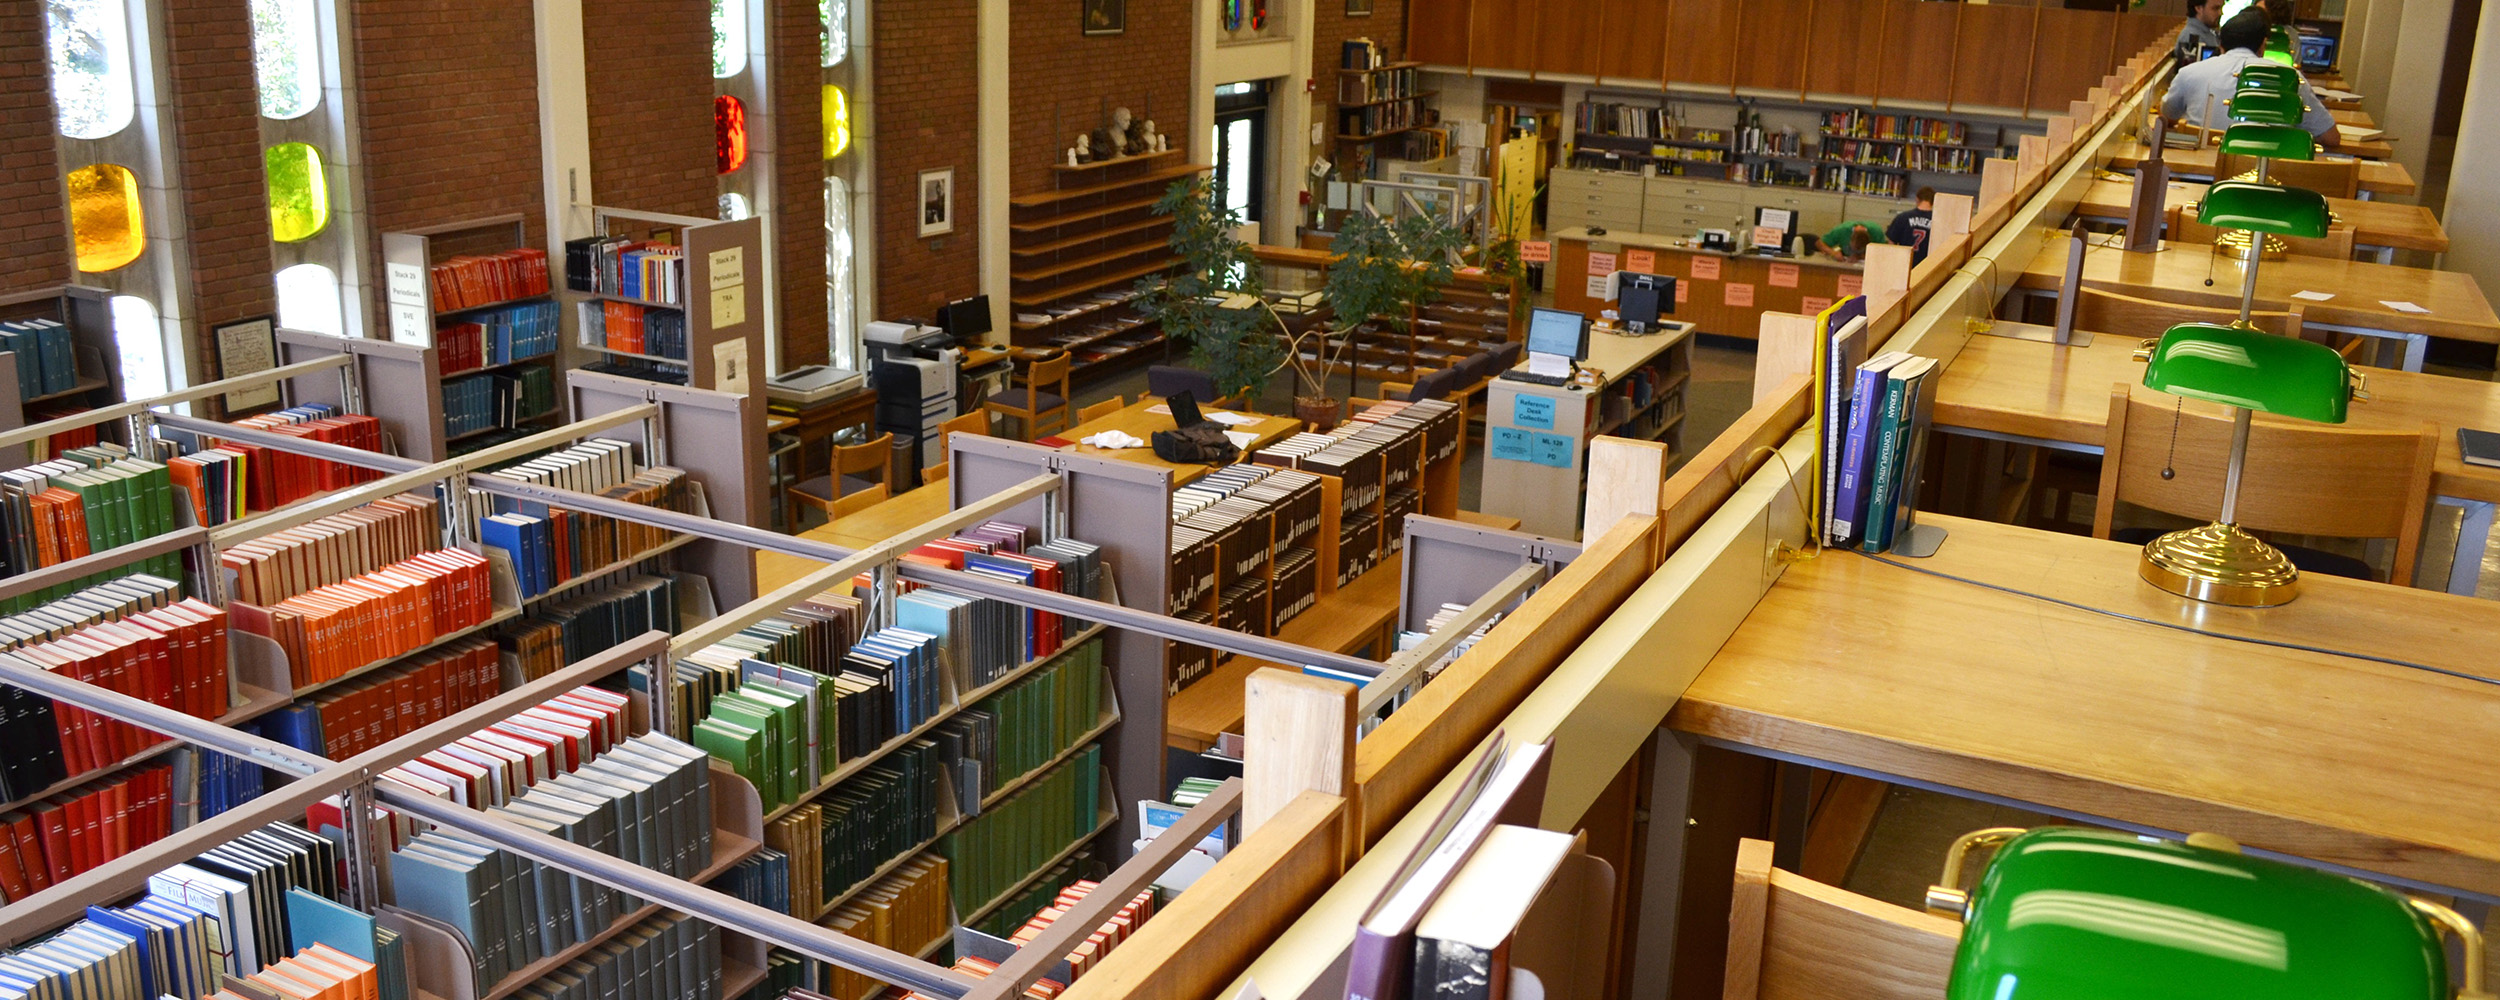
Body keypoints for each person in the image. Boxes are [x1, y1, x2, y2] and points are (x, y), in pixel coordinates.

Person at [2159, 9, 2338, 147]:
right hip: (2265, 180)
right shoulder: (2291, 78)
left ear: (2221, 45)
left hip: (2201, 177)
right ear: (2262, 46)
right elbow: (2330, 137)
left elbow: (2167, 117)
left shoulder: (2189, 73)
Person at [1886, 188, 1934, 267]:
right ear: (1933, 201)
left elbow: (1891, 243)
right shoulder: (1937, 221)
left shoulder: (1902, 217)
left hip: (1904, 263)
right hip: (1926, 266)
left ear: (1917, 199)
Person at [1819, 220, 1888, 261]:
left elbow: (1884, 253)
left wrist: (1861, 257)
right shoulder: (1841, 231)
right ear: (1850, 239)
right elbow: (1821, 244)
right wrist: (1834, 252)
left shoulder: (1876, 232)